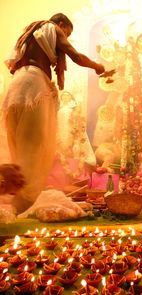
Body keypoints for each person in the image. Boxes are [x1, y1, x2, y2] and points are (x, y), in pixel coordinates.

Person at [2, 13, 105, 213]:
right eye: (67, 33)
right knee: (34, 151)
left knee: (17, 150)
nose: (65, 38)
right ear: (60, 24)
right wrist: (97, 66)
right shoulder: (52, 28)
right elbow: (76, 56)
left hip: (15, 89)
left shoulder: (30, 32)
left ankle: (15, 203)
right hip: (34, 88)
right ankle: (22, 208)